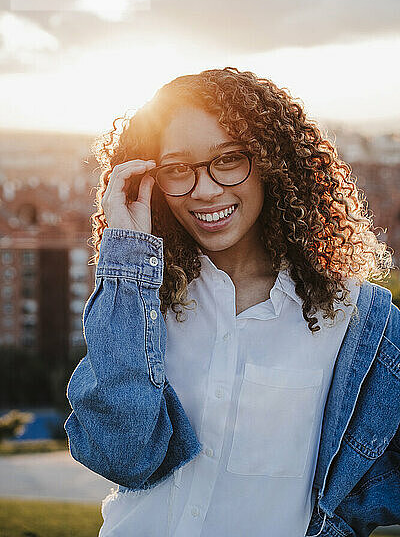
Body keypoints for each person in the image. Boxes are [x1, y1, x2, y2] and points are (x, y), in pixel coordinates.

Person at [64, 67, 400, 537]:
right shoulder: (144, 301)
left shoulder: (355, 320)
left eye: (227, 160)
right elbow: (123, 455)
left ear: (271, 163)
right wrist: (126, 257)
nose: (203, 190)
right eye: (177, 169)